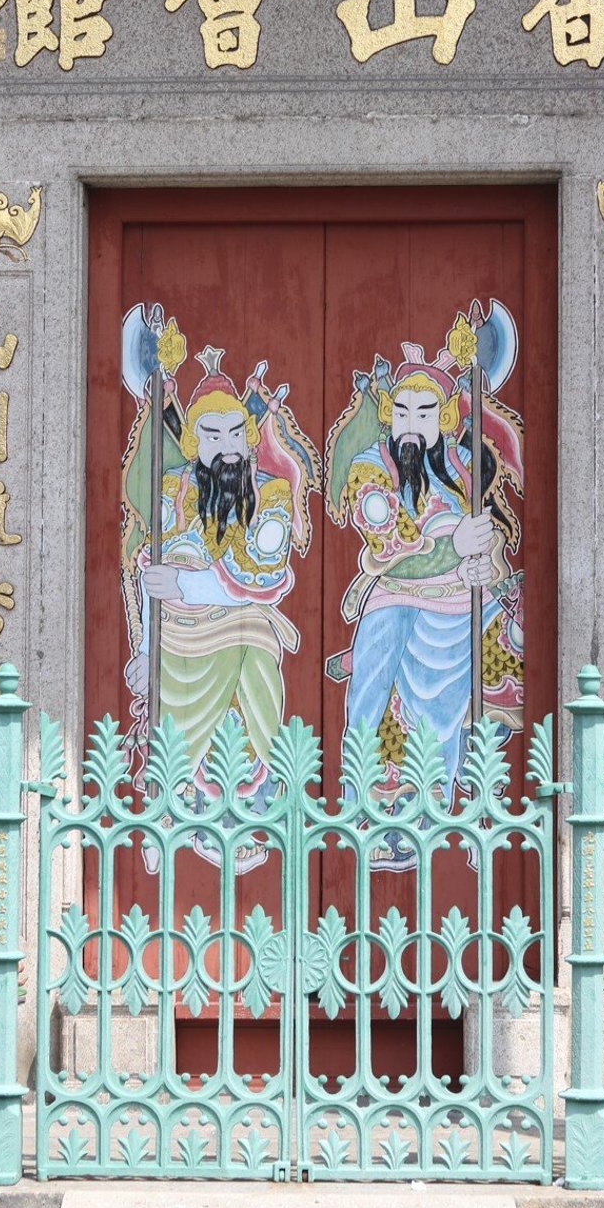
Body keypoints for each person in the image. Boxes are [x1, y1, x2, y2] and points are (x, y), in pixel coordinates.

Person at [325, 320, 523, 866]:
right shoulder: (372, 472)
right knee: (374, 706)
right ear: (389, 417)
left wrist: (486, 562)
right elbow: (389, 546)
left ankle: (473, 800)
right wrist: (454, 545)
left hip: (460, 611)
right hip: (397, 600)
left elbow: (485, 543)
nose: (413, 426)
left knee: (513, 640)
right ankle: (370, 815)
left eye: (426, 413)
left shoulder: (462, 470)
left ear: (446, 418)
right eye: (404, 413)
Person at [123, 345, 320, 870]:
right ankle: (167, 812)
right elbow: (151, 576)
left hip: (242, 627)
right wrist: (145, 647)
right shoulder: (174, 493)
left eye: (236, 433)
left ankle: (266, 816)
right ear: (193, 443)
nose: (227, 448)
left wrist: (186, 585)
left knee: (255, 644)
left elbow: (263, 578)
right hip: (178, 635)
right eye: (212, 435)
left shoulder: (271, 497)